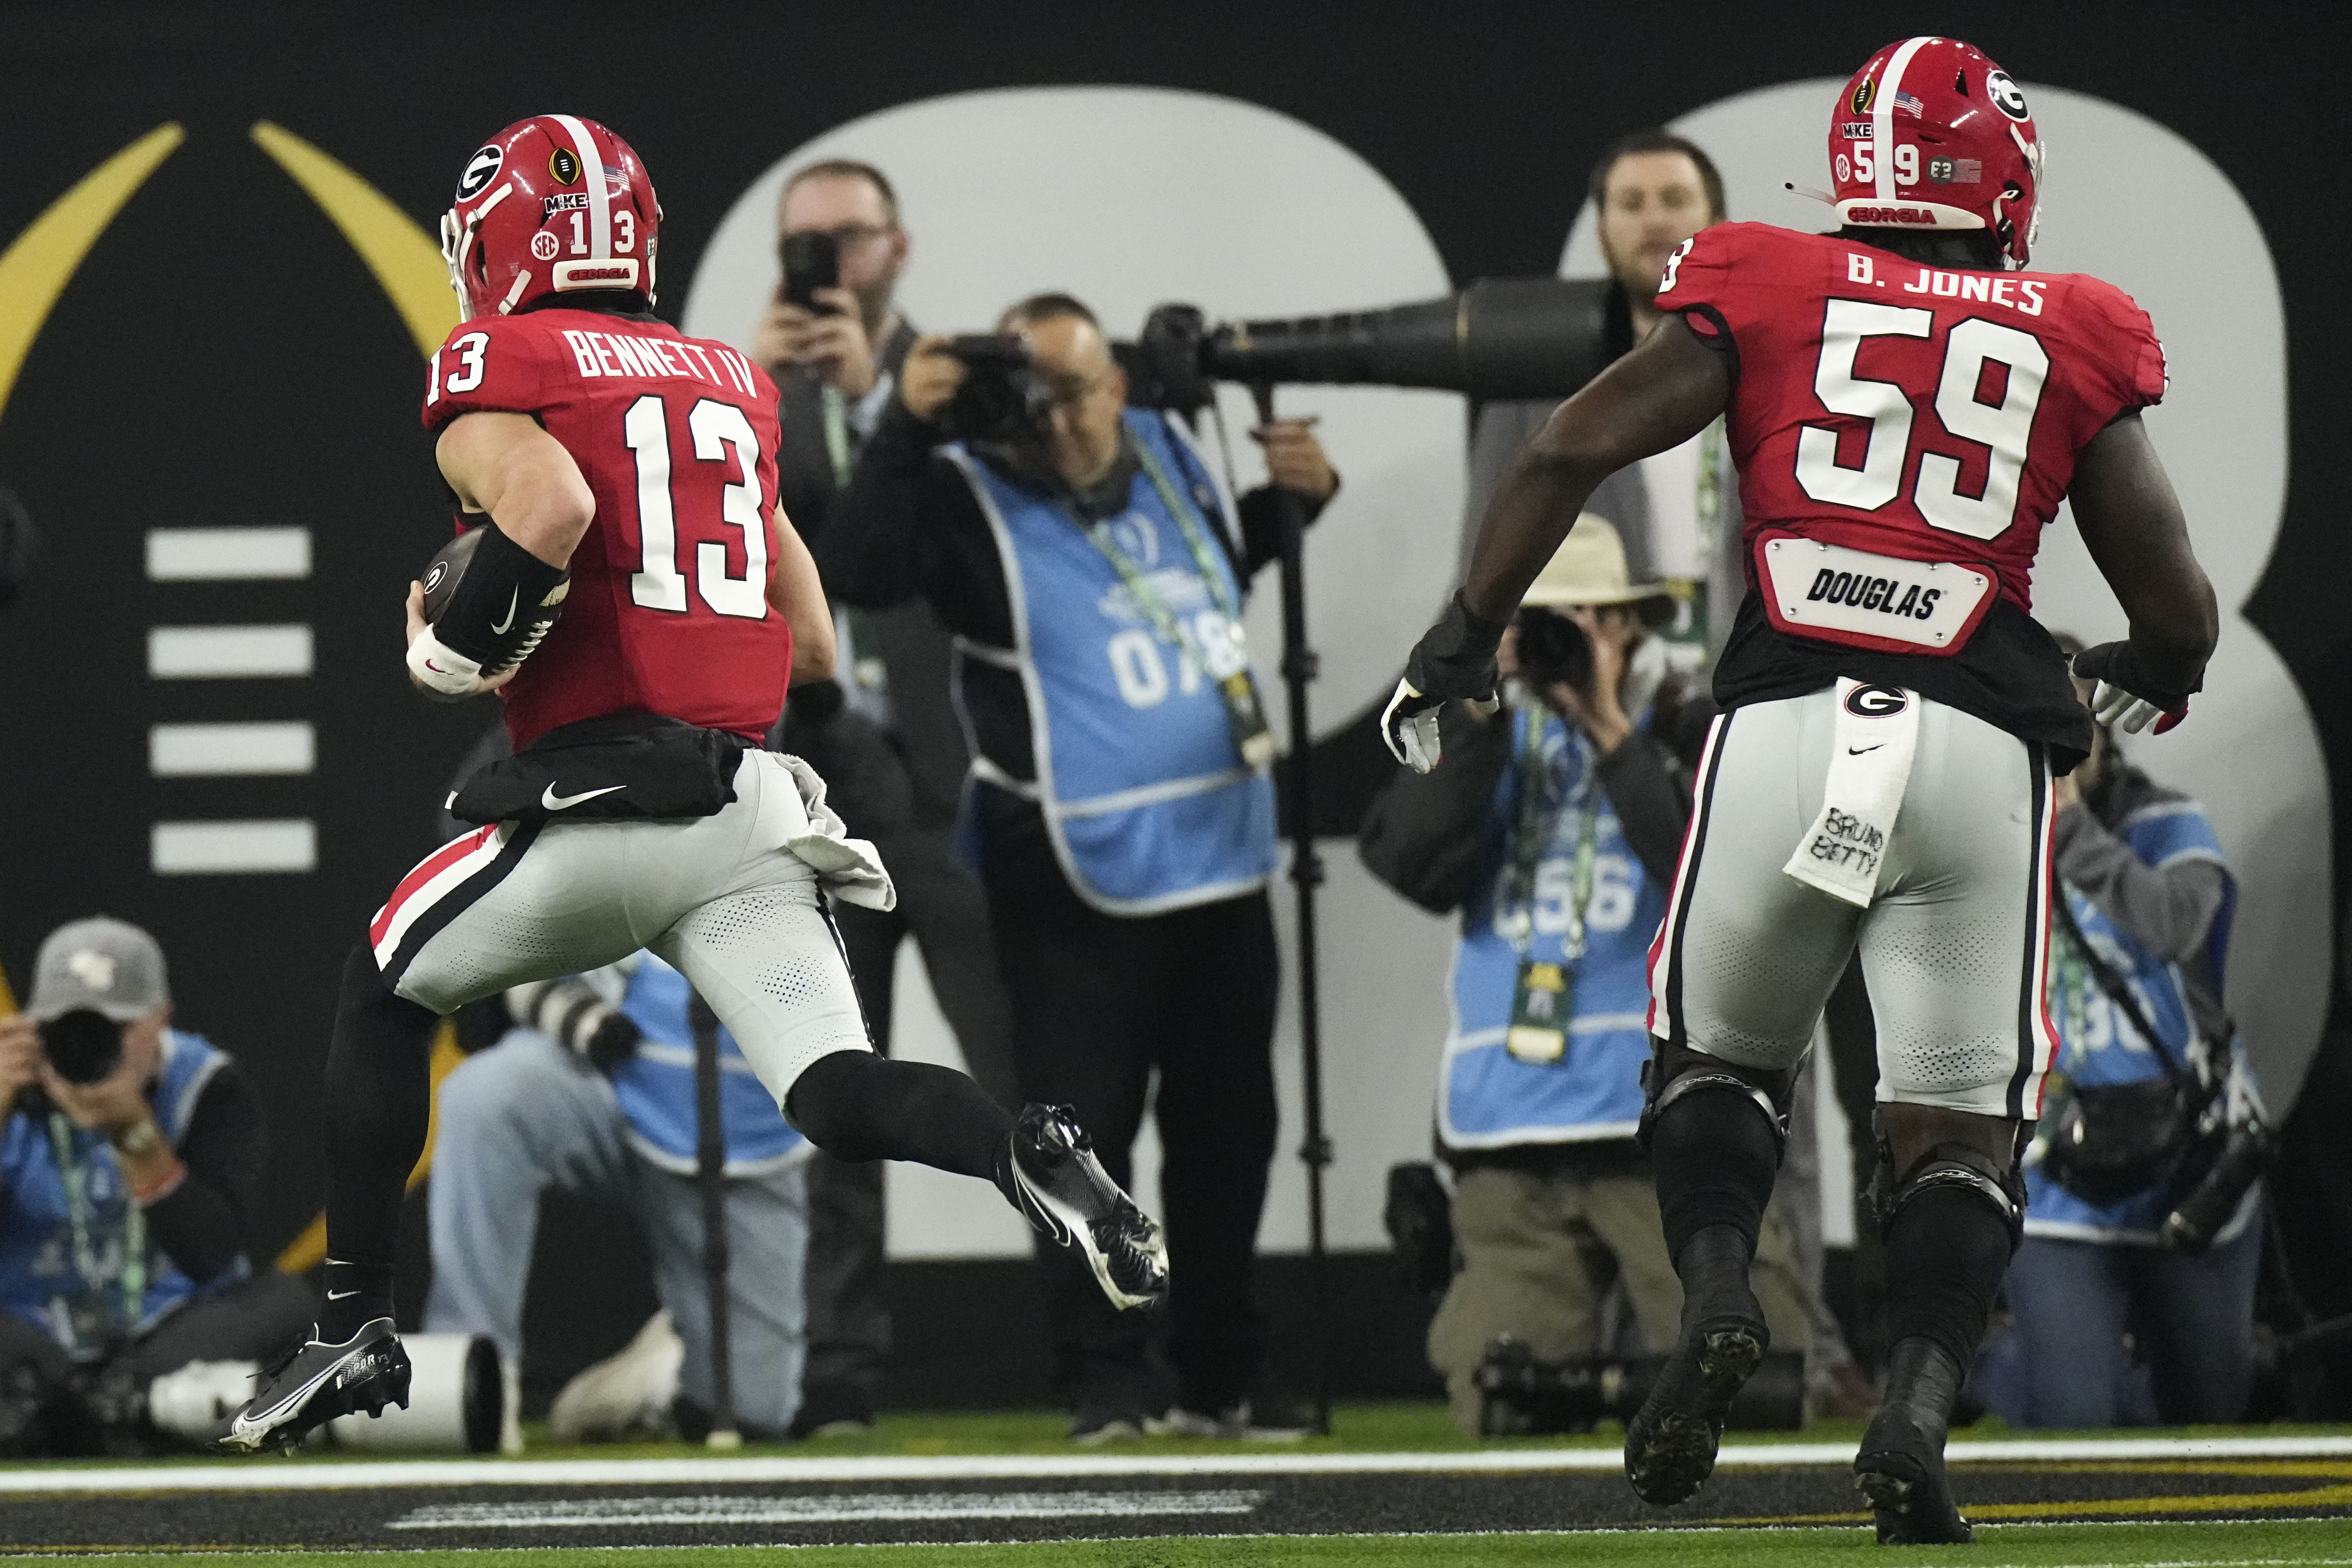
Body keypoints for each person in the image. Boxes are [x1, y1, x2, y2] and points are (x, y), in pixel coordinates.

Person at [221, 116, 1166, 1455]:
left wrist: (461, 636)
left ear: (501, 243)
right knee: (837, 1085)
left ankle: (354, 1323)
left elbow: (546, 506)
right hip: (742, 804)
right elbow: (813, 633)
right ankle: (1031, 1147)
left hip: (599, 806)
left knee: (381, 986)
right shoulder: (725, 376)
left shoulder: (505, 356)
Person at [1384, 38, 2217, 1544]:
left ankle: (1715, 1298)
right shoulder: (2069, 325)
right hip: (1974, 749)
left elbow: (1569, 441)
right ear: (2004, 178)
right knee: (1955, 1126)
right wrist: (2126, 667)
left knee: (1711, 1064)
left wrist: (1455, 647)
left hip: (1779, 719)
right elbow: (2178, 616)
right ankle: (1907, 1410)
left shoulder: (1767, 279)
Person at [823, 293, 1338, 1441]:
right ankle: (1106, 1380)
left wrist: (1289, 503)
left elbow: (1197, 589)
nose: (1053, 427)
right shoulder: (967, 491)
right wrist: (903, 427)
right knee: (1075, 1139)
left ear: (1117, 385)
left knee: (1226, 1136)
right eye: (1028, 402)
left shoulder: (1167, 449)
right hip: (1062, 872)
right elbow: (860, 572)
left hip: (1217, 851)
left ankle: (1221, 1373)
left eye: (1074, 396)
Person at [1359, 517, 1809, 1433]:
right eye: (1534, 623)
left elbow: (1713, 878)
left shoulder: (1689, 720)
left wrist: (1609, 730)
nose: (1559, 640)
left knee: (1747, 1390)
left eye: (1581, 620)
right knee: (1496, 1405)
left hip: (1665, 1125)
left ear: (1626, 626)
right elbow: (1407, 860)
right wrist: (1480, 710)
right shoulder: (1481, 736)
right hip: (1511, 1128)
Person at [751, 158, 1019, 1436]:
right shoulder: (737, 405)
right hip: (820, 796)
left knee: (1023, 1074)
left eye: (844, 240)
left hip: (948, 785)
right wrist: (752, 402)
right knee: (838, 1092)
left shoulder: (953, 382)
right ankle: (838, 1382)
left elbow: (994, 536)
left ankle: (1107, 1348)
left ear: (896, 245)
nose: (824, 267)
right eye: (801, 245)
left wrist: (876, 398)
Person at [1971, 651, 2262, 1427]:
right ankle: (1991, 1377)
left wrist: (2066, 829)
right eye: (2036, 729)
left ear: (2103, 731)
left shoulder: (2165, 822)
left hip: (2188, 1150)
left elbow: (2171, 924)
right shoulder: (1982, 847)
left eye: (2071, 727)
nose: (2056, 747)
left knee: (2208, 1412)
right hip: (2056, 1166)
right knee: (2072, 1423)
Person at [424, 955, 813, 1441]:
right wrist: (576, 1009)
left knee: (756, 1409)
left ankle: (654, 1375)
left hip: (742, 1124)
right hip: (606, 1070)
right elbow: (519, 951)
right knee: (487, 1094)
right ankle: (474, 1371)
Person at [0, 918, 311, 1455]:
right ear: (33, 1026)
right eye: (65, 1028)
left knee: (287, 1302)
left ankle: (101, 1404)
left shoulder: (204, 1085)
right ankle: (89, 1405)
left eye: (113, 1027)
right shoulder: (12, 1083)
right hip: (30, 1326)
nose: (87, 1045)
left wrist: (135, 1133)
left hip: (165, 1332)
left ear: (159, 1021)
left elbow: (212, 1252)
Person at [1463, 131, 1737, 674]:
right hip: (1587, 694)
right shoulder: (1532, 396)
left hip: (1743, 686)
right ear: (1601, 233)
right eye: (1632, 204)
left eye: (1675, 200)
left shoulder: (1779, 372)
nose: (1655, 221)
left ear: (1719, 222)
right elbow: (1481, 569)